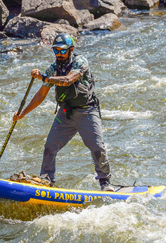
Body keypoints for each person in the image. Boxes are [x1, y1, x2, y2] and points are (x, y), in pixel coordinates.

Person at [13, 33, 114, 192]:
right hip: (65, 114)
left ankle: (105, 183)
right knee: (49, 148)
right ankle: (47, 180)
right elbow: (41, 95)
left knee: (97, 148)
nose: (58, 54)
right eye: (56, 50)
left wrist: (44, 77)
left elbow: (67, 80)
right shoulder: (53, 69)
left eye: (62, 51)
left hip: (87, 111)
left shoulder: (80, 62)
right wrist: (23, 113)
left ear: (71, 50)